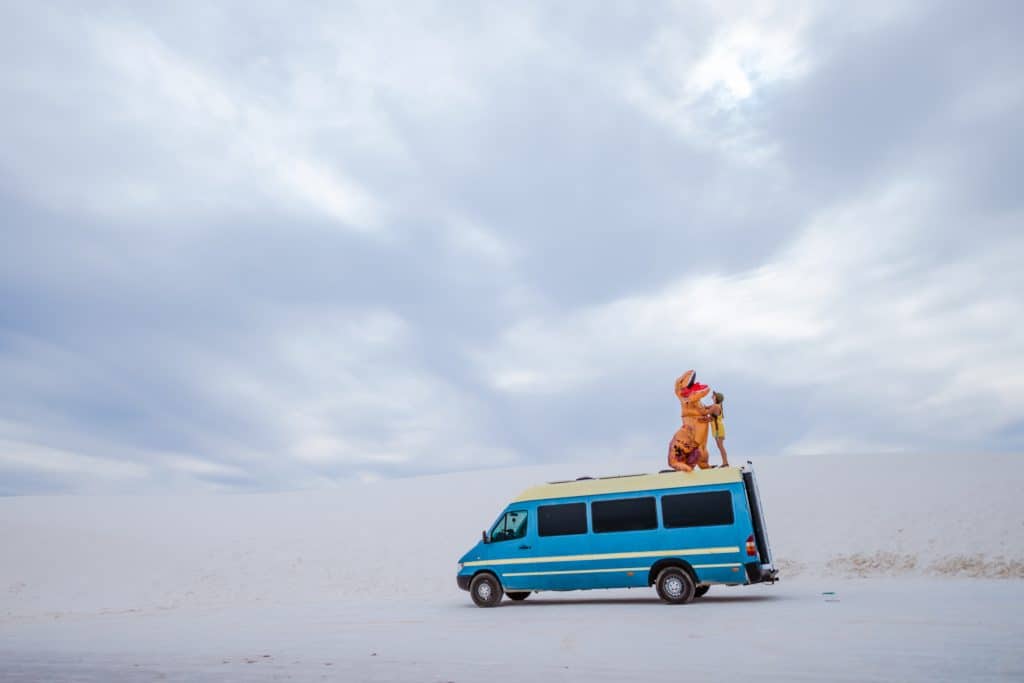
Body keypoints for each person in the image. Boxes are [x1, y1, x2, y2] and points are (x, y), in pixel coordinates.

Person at [710, 391, 728, 467]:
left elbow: (705, 411)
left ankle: (725, 463)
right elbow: (706, 408)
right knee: (720, 446)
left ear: (716, 398)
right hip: (716, 428)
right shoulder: (716, 405)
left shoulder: (716, 406)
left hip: (718, 429)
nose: (712, 396)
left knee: (720, 446)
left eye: (713, 396)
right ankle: (725, 462)